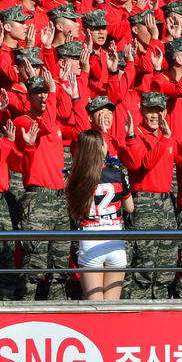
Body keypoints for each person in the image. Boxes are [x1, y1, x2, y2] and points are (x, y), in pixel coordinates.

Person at [65, 129, 133, 300]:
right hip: (114, 238)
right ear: (102, 147)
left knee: (94, 307)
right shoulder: (117, 174)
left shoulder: (77, 176)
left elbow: (74, 216)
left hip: (90, 239)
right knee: (111, 307)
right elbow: (130, 208)